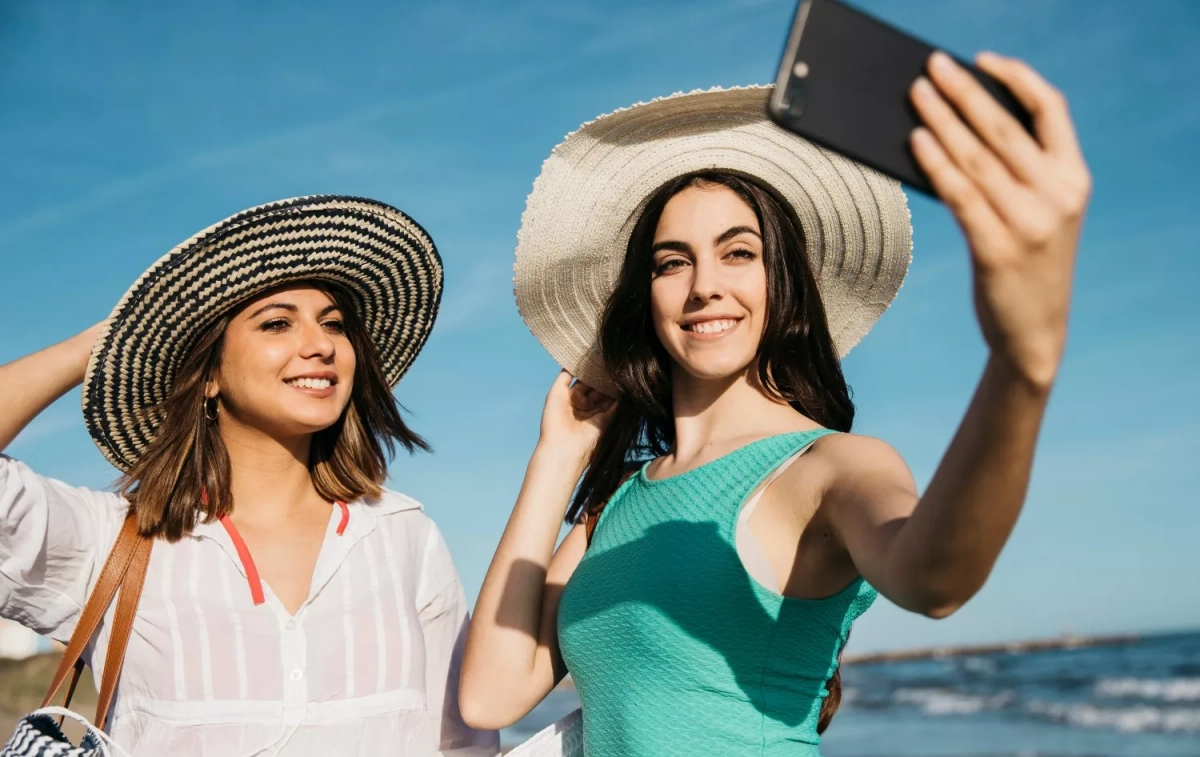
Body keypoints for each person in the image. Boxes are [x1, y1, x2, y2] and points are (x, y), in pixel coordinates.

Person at [460, 52, 1091, 756]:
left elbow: (934, 577)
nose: (704, 285)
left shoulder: (826, 469)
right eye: (672, 262)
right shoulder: (616, 506)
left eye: (738, 253)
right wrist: (560, 456)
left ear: (780, 279)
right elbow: (490, 691)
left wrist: (1019, 367)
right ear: (649, 298)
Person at [0, 196, 500, 756]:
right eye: (277, 323)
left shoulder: (403, 535)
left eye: (334, 324)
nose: (321, 345)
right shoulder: (113, 539)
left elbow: (461, 745)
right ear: (208, 372)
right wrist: (120, 335)